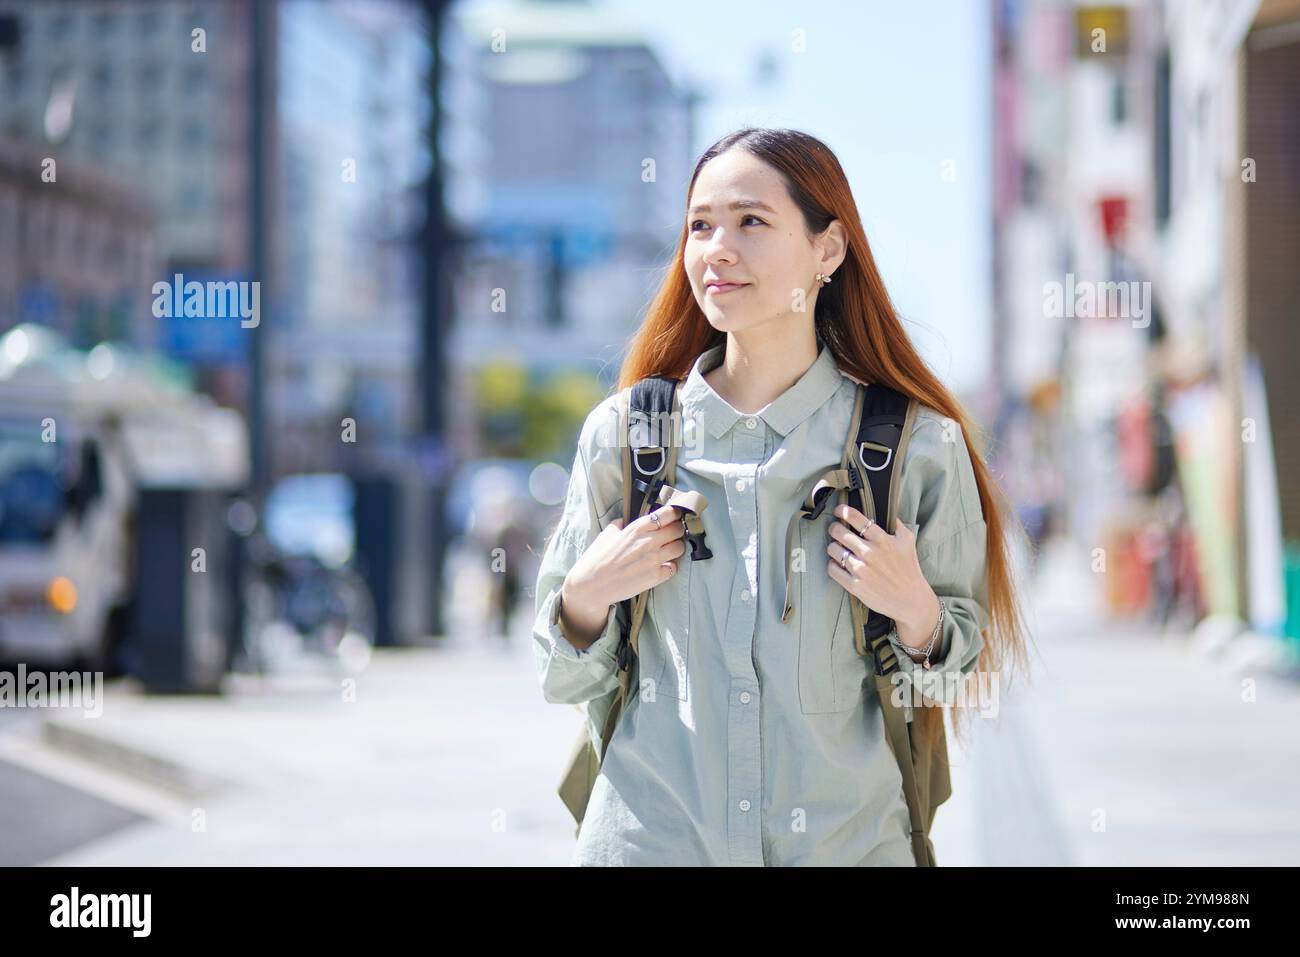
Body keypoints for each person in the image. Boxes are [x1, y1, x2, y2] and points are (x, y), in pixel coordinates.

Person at [531, 128, 1030, 866]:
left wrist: (916, 609)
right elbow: (562, 675)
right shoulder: (625, 437)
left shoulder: (918, 446)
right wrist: (585, 595)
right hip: (648, 843)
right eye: (700, 224)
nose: (716, 249)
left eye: (750, 222)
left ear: (828, 251)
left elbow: (953, 685)